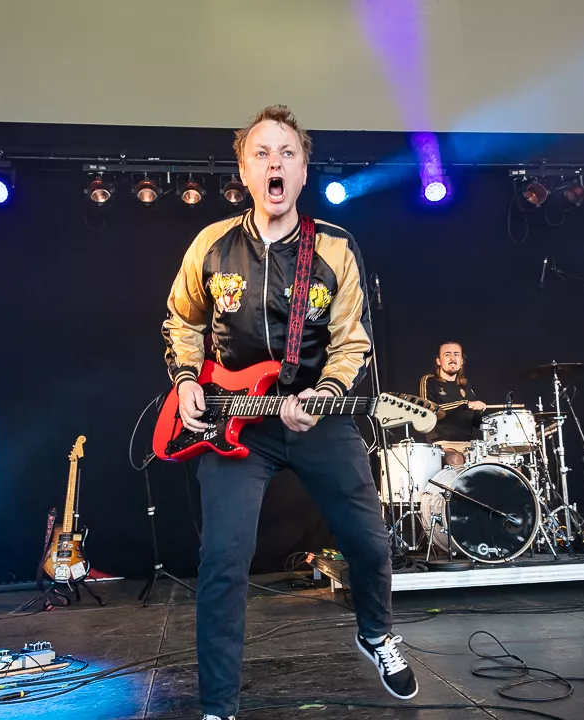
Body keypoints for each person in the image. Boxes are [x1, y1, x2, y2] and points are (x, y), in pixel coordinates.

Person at [162, 105, 417, 720]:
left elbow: (352, 341)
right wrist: (186, 379)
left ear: (303, 171)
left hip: (315, 414)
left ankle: (376, 633)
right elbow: (182, 321)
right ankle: (218, 706)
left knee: (369, 540)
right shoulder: (211, 245)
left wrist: (324, 395)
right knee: (223, 561)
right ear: (243, 171)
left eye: (287, 153)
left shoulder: (334, 248)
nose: (274, 163)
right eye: (261, 153)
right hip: (234, 420)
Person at [419, 342, 488, 459]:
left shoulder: (465, 385)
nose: (452, 358)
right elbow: (429, 409)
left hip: (469, 444)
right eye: (447, 354)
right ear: (439, 361)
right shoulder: (429, 381)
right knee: (454, 459)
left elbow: (475, 421)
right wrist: (465, 404)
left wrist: (481, 413)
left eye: (456, 354)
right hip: (443, 444)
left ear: (462, 362)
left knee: (501, 463)